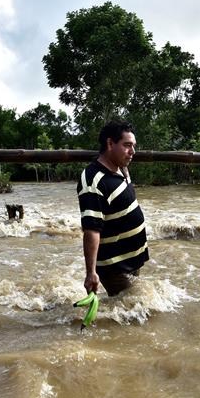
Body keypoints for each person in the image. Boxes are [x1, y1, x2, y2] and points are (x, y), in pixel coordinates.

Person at [77, 120, 149, 296]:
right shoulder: (93, 180)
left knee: (130, 311)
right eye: (127, 145)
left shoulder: (121, 168)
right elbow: (91, 229)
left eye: (133, 146)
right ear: (110, 144)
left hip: (131, 260)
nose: (133, 151)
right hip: (114, 267)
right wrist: (90, 273)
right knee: (132, 314)